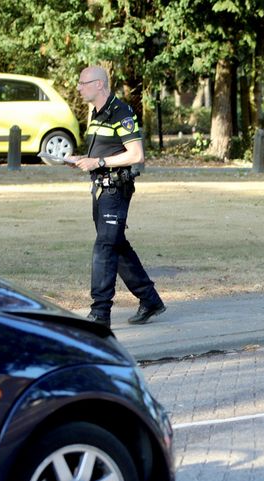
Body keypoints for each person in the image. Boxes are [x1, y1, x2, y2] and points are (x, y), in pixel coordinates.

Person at [65, 65, 165, 327]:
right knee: (117, 247)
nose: (79, 87)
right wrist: (81, 160)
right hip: (100, 189)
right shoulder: (97, 114)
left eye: (83, 82)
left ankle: (100, 313)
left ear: (99, 84)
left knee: (105, 247)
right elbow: (103, 153)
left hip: (115, 191)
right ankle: (150, 300)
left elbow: (136, 155)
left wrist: (97, 162)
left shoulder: (121, 112)